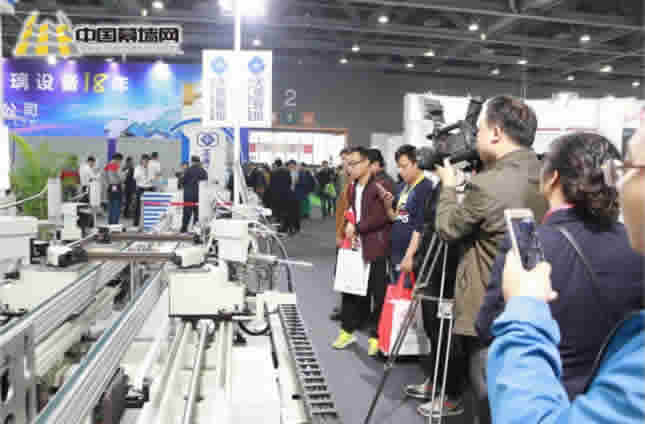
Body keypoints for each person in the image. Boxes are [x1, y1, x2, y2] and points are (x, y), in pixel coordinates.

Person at [487, 122, 645, 424]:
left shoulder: (529, 243)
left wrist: (523, 307)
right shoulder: (632, 245)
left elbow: (488, 325)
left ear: (553, 178)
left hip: (540, 392)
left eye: (630, 170)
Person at [433, 96, 548, 420]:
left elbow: (448, 228)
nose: (475, 138)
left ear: (496, 133)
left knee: (486, 397)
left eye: (480, 131)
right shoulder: (547, 175)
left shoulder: (487, 185)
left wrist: (448, 188)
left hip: (488, 307)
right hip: (533, 300)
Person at [332, 147, 391, 357]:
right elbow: (352, 210)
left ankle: (376, 336)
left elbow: (381, 217)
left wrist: (357, 227)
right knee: (349, 290)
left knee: (379, 293)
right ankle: (346, 331)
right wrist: (350, 223)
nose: (350, 168)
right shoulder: (352, 187)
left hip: (376, 247)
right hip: (355, 246)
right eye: (348, 164)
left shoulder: (381, 185)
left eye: (354, 163)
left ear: (367, 163)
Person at [331, 148, 352, 321]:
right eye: (343, 159)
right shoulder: (345, 180)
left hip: (349, 236)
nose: (344, 163)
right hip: (343, 232)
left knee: (347, 273)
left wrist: (340, 234)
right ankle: (344, 308)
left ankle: (347, 310)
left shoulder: (355, 182)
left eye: (346, 159)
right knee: (342, 272)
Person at [181, 156, 208, 233]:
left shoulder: (188, 170)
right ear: (199, 162)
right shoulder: (203, 171)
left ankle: (184, 229)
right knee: (197, 214)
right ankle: (195, 230)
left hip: (188, 195)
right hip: (199, 195)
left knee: (187, 213)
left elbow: (182, 181)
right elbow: (205, 182)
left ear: (192, 161)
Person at [268, 159, 293, 233]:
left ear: (276, 165)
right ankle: (287, 227)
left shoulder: (273, 172)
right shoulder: (287, 172)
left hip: (276, 195)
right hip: (286, 194)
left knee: (278, 213)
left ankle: (279, 228)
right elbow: (290, 182)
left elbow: (271, 185)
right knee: (286, 211)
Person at [104, 153, 124, 225]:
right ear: (118, 159)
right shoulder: (116, 165)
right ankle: (115, 223)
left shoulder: (107, 165)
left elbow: (104, 176)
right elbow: (121, 177)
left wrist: (107, 184)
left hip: (110, 186)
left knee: (111, 205)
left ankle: (110, 223)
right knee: (116, 206)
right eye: (120, 160)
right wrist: (124, 174)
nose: (120, 162)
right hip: (116, 186)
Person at [133, 154, 153, 227]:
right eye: (145, 160)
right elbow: (135, 177)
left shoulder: (151, 168)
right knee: (138, 206)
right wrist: (142, 170)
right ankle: (136, 223)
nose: (146, 162)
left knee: (150, 206)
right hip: (141, 188)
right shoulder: (138, 168)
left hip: (149, 188)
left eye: (147, 160)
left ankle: (149, 222)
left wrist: (152, 178)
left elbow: (153, 177)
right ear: (141, 160)